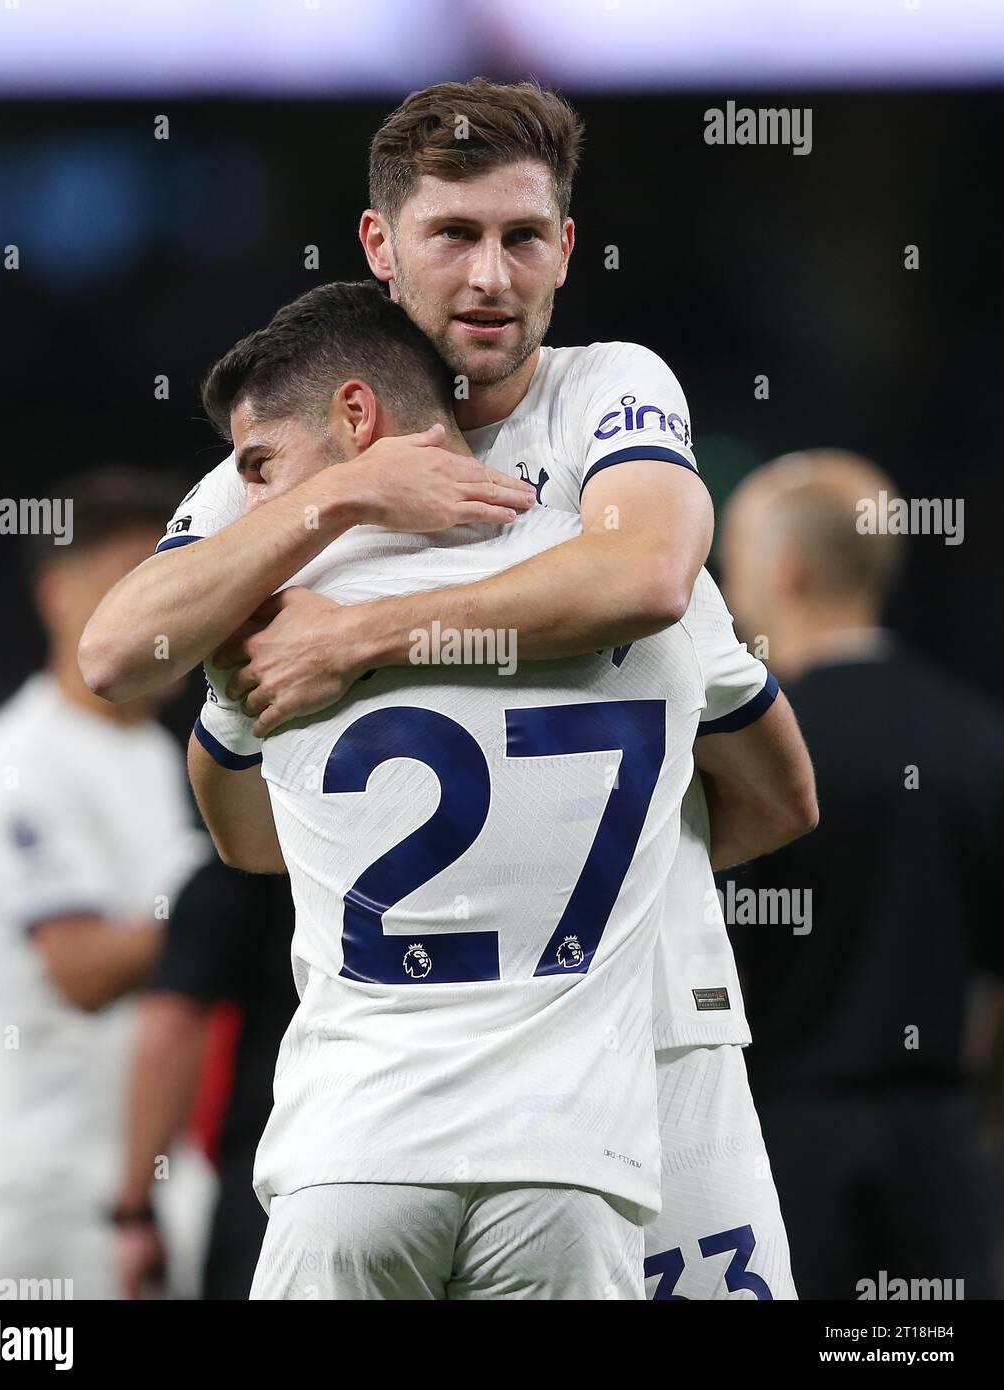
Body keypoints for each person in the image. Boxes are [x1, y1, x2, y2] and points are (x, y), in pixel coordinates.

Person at [81, 80, 816, 1297]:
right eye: (453, 235)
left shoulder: (608, 394)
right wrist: (344, 495)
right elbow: (122, 656)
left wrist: (361, 638)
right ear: (378, 245)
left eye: (521, 237)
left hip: (650, 1028)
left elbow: (646, 580)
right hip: (458, 1078)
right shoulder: (304, 454)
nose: (490, 276)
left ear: (566, 248)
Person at [720, 448, 1004, 1299]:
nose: (730, 598)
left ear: (790, 569)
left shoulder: (744, 759)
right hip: (940, 1158)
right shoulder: (978, 740)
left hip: (777, 1155)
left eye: (734, 566)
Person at [0, 469, 204, 1299]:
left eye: (179, 579)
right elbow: (80, 967)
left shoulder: (160, 758)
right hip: (33, 1207)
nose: (166, 610)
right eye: (135, 580)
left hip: (144, 1186)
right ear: (58, 595)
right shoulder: (16, 761)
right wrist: (234, 917)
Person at [115, 859, 299, 1300]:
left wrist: (133, 1211)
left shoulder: (235, 878)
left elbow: (170, 1030)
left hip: (274, 1191)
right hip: (458, 1162)